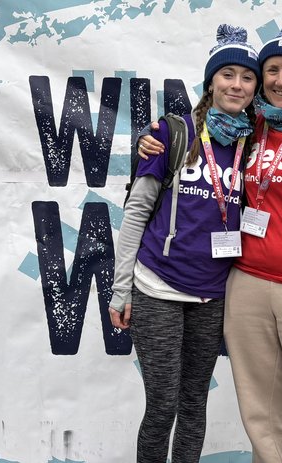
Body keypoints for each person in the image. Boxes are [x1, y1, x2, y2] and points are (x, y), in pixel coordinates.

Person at [140, 19, 282, 463]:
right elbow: (190, 137)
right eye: (272, 71)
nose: (280, 80)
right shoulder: (250, 130)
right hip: (246, 286)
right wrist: (147, 142)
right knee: (261, 418)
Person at [109, 24, 259, 463]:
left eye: (247, 77)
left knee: (195, 403)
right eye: (227, 74)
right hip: (157, 286)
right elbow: (136, 211)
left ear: (255, 87)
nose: (236, 84)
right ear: (211, 81)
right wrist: (121, 289)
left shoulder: (253, 146)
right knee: (162, 406)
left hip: (212, 294)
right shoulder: (172, 133)